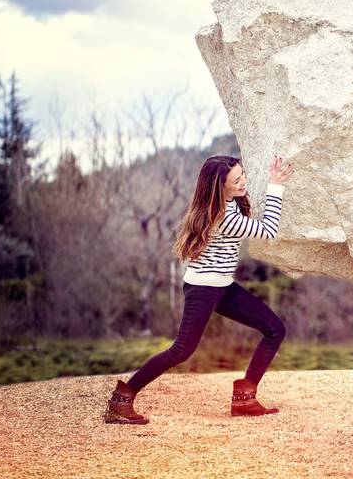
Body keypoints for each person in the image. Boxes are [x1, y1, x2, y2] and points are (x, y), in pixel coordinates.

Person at [104, 154, 295, 424]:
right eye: (236, 180)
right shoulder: (222, 216)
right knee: (182, 350)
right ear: (220, 187)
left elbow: (249, 202)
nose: (243, 183)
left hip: (223, 285)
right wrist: (276, 185)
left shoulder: (228, 200)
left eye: (243, 176)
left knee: (275, 329)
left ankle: (245, 399)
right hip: (203, 288)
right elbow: (269, 230)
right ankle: (122, 400)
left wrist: (269, 173)